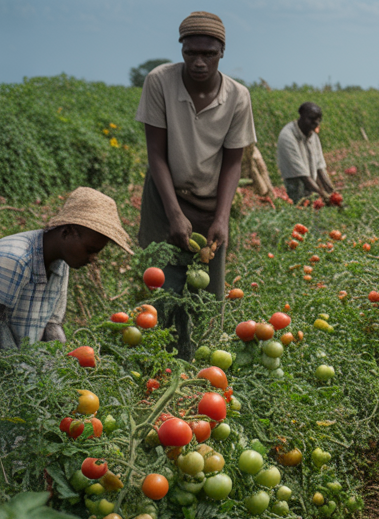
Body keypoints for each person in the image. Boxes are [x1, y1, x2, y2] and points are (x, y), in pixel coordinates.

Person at [135, 11, 256, 359]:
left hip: (210, 203)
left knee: (208, 296)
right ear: (181, 50)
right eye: (191, 53)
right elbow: (155, 153)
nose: (199, 62)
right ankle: (166, 369)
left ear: (222, 52)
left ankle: (201, 377)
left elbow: (234, 162)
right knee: (167, 293)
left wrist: (222, 217)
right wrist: (173, 213)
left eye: (209, 54)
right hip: (165, 197)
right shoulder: (160, 82)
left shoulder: (237, 97)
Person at [0, 188, 133, 350]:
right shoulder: (15, 259)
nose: (92, 259)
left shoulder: (61, 263)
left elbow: (52, 323)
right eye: (90, 250)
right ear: (67, 232)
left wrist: (67, 363)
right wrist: (19, 369)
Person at [277, 102, 335, 203]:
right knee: (300, 209)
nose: (316, 123)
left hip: (311, 185)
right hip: (295, 186)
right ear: (302, 116)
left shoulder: (313, 137)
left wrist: (332, 192)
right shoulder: (287, 136)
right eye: (312, 119)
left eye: (318, 120)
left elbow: (320, 168)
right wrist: (324, 196)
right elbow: (302, 174)